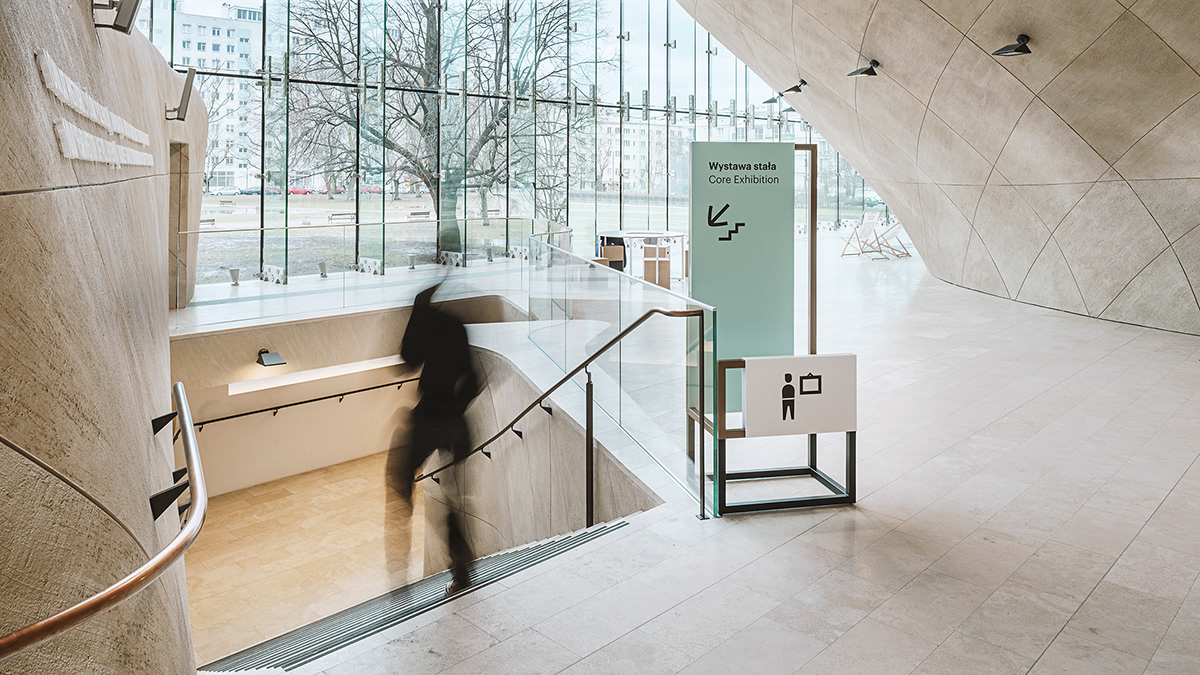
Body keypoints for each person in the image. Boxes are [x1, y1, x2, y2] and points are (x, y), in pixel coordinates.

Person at [387, 281, 481, 596]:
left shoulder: (425, 320)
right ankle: (462, 570)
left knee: (399, 483)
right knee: (453, 498)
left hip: (430, 418)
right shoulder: (457, 326)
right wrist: (456, 412)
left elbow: (408, 359)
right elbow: (472, 379)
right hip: (455, 423)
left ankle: (398, 579)